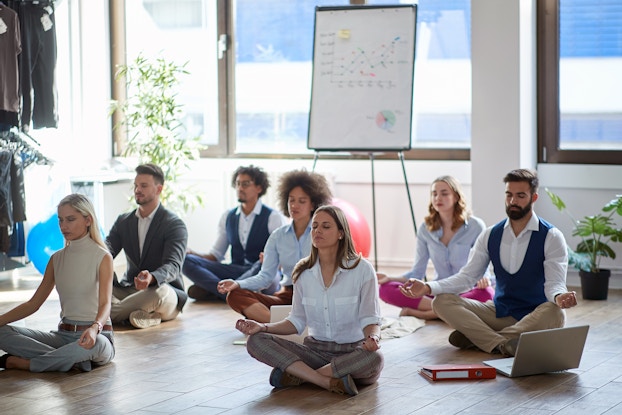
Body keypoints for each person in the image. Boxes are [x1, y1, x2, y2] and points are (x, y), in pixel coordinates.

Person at [400, 168, 578, 356]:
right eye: (509, 195)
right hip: (499, 312)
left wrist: (559, 296)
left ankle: (480, 340)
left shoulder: (551, 236)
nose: (513, 201)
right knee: (441, 301)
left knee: (555, 312)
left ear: (534, 198)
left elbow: (554, 283)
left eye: (520, 196)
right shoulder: (490, 235)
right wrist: (428, 288)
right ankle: (503, 343)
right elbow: (467, 277)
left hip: (535, 315)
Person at [235, 205, 383, 396]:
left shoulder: (362, 269)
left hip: (353, 354)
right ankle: (324, 381)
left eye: (326, 226)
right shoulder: (302, 272)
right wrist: (262, 327)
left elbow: (370, 318)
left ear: (340, 233)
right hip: (315, 353)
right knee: (255, 341)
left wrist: (374, 338)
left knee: (374, 359)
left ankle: (301, 376)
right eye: (314, 226)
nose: (317, 231)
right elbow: (296, 321)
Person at [0, 194, 114, 372]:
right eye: (60, 220)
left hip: (96, 336)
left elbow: (106, 303)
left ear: (88, 220)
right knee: (1, 332)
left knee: (98, 344)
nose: (63, 226)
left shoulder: (103, 257)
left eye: (70, 219)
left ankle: (30, 364)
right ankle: (70, 361)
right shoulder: (56, 259)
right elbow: (33, 304)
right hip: (63, 337)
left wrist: (95, 328)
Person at [220, 169, 332, 323]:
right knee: (235, 295)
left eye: (302, 201)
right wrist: (237, 283)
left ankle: (283, 324)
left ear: (313, 204)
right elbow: (265, 277)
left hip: (317, 297)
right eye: (291, 200)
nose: (295, 205)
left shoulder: (323, 233)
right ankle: (279, 325)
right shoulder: (278, 236)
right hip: (287, 297)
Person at [377, 176, 494, 320]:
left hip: (467, 290)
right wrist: (389, 277)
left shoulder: (476, 226)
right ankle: (446, 311)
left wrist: (484, 278)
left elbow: (483, 266)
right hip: (437, 291)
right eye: (434, 193)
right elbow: (417, 273)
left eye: (444, 193)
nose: (438, 198)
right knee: (385, 289)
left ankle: (424, 314)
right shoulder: (425, 229)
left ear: (456, 197)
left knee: (488, 294)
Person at [183, 165, 286, 301]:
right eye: (237, 184)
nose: (240, 188)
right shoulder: (228, 216)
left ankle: (220, 291)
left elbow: (281, 257)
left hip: (261, 270)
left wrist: (269, 259)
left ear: (259, 188)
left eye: (245, 184)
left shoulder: (273, 216)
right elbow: (215, 255)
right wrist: (192, 253)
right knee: (185, 260)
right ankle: (229, 292)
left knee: (268, 273)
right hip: (235, 269)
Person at [106, 163, 188, 329]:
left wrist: (152, 277)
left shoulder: (174, 224)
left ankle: (108, 314)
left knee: (159, 293)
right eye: (136, 185)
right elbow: (106, 252)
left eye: (143, 186)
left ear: (158, 189)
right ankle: (143, 316)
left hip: (163, 291)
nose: (137, 190)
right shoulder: (124, 221)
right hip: (130, 290)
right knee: (97, 284)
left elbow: (173, 266)